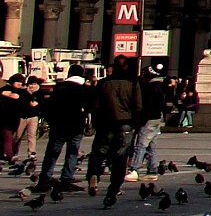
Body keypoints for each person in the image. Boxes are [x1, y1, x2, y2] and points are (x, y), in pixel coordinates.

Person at [85, 57, 141, 207]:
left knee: (98, 151)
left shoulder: (103, 83)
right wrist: (136, 123)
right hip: (125, 123)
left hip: (105, 122)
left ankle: (94, 175)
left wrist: (96, 122)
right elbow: (137, 105)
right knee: (120, 155)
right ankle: (114, 187)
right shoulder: (133, 82)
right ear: (126, 66)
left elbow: (95, 105)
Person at [33, 67, 91, 197]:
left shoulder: (60, 87)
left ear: (69, 73)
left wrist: (49, 120)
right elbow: (89, 106)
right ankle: (66, 179)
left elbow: (49, 105)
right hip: (76, 125)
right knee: (72, 153)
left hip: (59, 125)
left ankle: (45, 180)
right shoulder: (84, 89)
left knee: (52, 153)